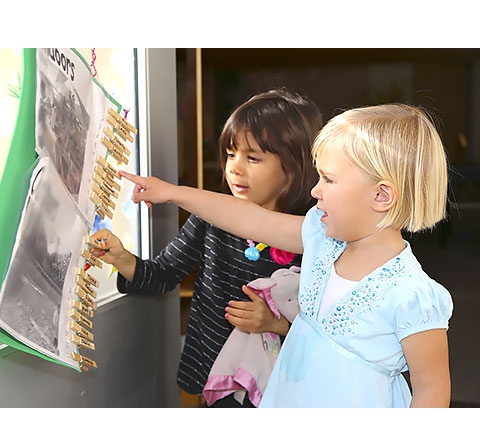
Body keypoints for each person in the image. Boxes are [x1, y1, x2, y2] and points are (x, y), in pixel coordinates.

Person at [115, 103, 454, 408]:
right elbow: (250, 218)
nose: (314, 190)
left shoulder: (413, 295)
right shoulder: (322, 239)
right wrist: (173, 193)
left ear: (381, 195)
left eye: (328, 180)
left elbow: (432, 390)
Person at [89, 88, 323, 407]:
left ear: (294, 166)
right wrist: (121, 258)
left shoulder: (313, 235)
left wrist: (276, 324)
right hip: (213, 379)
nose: (234, 168)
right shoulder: (211, 218)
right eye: (230, 154)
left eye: (252, 158)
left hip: (278, 387)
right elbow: (163, 274)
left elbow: (327, 325)